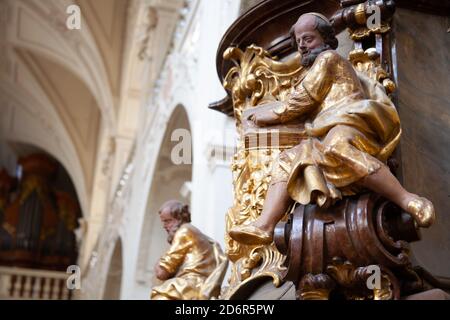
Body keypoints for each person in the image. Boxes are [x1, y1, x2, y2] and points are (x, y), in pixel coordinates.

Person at [229, 12, 435, 246]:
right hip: (326, 129)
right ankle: (265, 225)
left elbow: (302, 100)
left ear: (325, 39)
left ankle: (407, 199)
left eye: (308, 39)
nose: (302, 46)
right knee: (286, 160)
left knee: (336, 146)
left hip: (350, 122)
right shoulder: (314, 67)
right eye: (298, 42)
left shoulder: (328, 59)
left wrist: (264, 117)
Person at [151, 200, 228, 300]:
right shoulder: (196, 233)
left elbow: (162, 273)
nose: (164, 226)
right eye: (163, 221)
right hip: (199, 286)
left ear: (179, 219)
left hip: (189, 287)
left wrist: (160, 261)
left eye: (168, 221)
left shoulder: (184, 231)